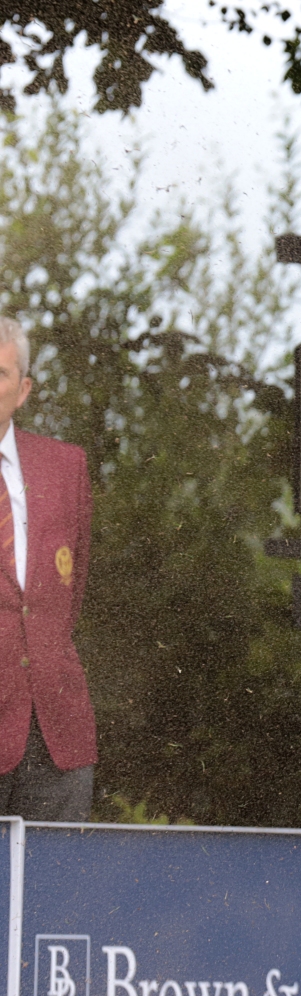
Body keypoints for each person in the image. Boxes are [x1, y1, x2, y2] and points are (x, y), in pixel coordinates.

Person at [0, 317, 96, 820]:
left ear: (23, 390)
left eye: (0, 374)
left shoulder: (65, 466)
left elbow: (67, 597)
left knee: (56, 870)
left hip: (55, 730)